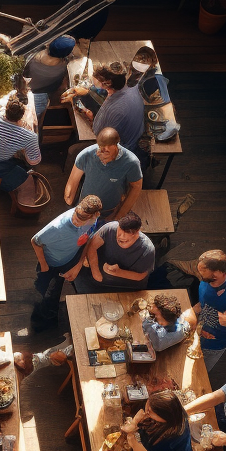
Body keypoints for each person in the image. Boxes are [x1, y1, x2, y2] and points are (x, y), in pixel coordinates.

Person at [30, 194, 103, 330]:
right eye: (76, 215)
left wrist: (78, 264)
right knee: (42, 285)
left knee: (56, 287)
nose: (75, 221)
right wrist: (45, 265)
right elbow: (35, 241)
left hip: (70, 259)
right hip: (51, 263)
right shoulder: (57, 227)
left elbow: (88, 239)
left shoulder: (94, 220)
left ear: (95, 215)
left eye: (81, 219)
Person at [64, 60, 144, 153]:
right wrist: (87, 92)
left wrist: (82, 109)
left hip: (120, 148)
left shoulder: (115, 110)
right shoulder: (131, 86)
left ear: (107, 83)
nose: (93, 83)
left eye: (96, 81)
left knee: (73, 150)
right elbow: (103, 91)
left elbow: (97, 132)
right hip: (131, 130)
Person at [63, 127, 142, 221]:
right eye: (100, 147)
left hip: (109, 213)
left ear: (115, 145)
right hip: (85, 211)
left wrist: (119, 215)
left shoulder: (131, 162)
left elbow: (136, 187)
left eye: (107, 151)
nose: (102, 153)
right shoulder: (86, 155)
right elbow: (72, 184)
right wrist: (71, 208)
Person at [0, 92, 41, 195]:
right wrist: (25, 145)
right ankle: (4, 190)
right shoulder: (28, 136)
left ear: (5, 111)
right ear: (21, 117)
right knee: (26, 169)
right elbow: (34, 161)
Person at [76, 213, 155, 293]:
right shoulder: (110, 228)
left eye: (127, 233)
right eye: (120, 230)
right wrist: (95, 271)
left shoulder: (147, 249)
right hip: (98, 281)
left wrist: (119, 272)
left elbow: (141, 275)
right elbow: (92, 246)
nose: (122, 236)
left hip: (125, 287)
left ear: (137, 232)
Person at [24, 35, 76, 118]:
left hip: (23, 91)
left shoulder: (32, 56)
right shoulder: (62, 67)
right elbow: (61, 87)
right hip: (39, 99)